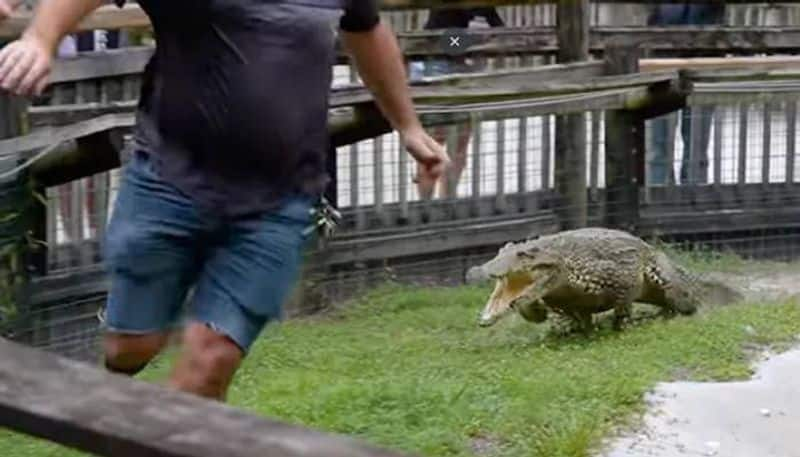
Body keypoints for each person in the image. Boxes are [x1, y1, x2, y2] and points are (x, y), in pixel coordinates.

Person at [0, 0, 449, 401]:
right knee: (130, 347)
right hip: (168, 182)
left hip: (280, 200)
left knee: (212, 360)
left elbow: (368, 32)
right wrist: (41, 38)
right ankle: (121, 385)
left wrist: (407, 126)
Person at [409, 7, 504, 199]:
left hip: (465, 71)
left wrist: (484, 39)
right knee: (434, 143)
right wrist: (473, 41)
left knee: (459, 144)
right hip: (436, 65)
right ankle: (425, 207)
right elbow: (440, 40)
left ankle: (446, 204)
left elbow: (500, 31)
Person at [647, 2, 725, 185]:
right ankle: (659, 195)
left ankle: (693, 197)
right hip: (661, 63)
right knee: (659, 147)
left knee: (696, 146)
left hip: (703, 64)